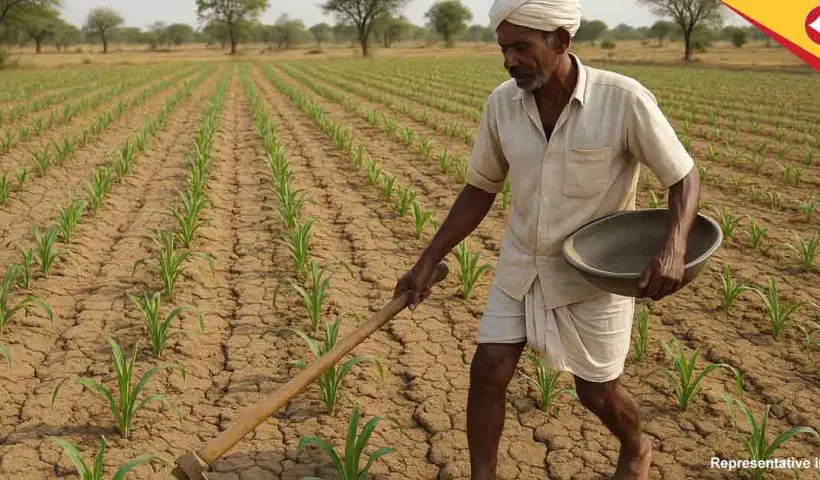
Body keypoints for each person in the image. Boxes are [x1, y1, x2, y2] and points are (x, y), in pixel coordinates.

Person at [392, 0, 702, 478]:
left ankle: (636, 447)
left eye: (521, 47)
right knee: (488, 370)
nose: (509, 60)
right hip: (523, 264)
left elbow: (683, 176)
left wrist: (674, 246)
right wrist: (427, 261)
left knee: (596, 392)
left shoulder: (623, 100)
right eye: (503, 48)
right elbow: (479, 190)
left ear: (560, 40)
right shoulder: (502, 105)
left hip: (593, 274)